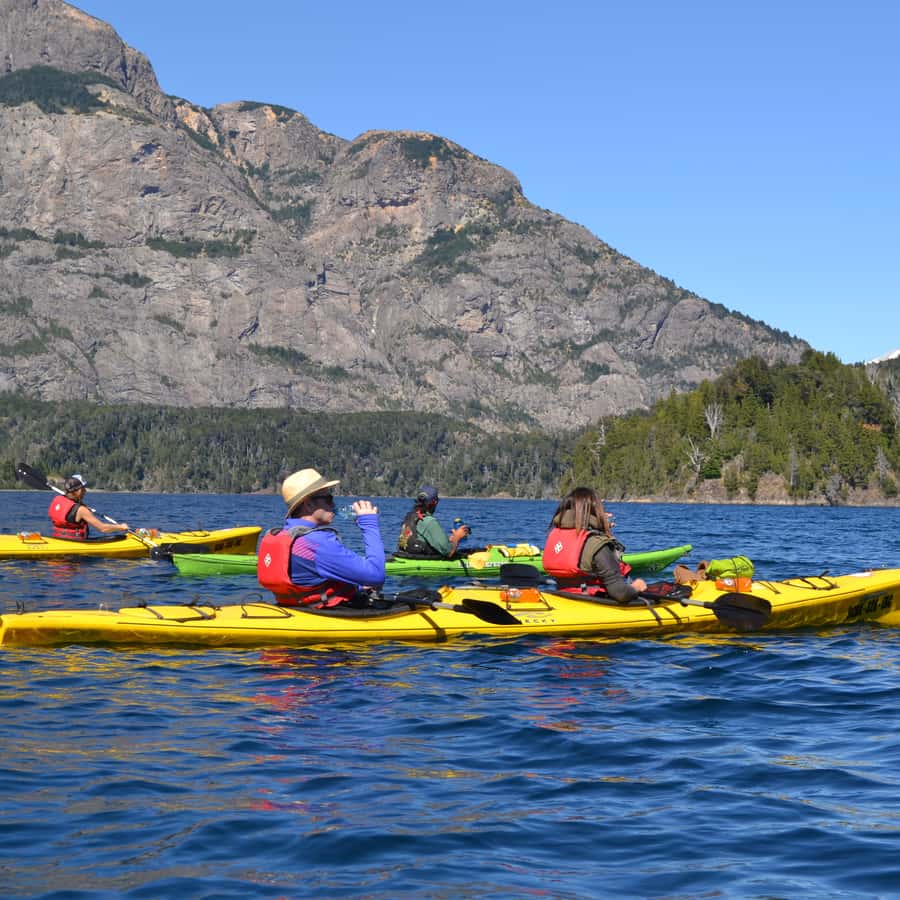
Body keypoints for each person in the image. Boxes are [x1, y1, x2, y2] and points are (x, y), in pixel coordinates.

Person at [257, 468, 385, 607]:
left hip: (294, 606)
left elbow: (309, 581)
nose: (333, 505)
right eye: (328, 499)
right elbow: (376, 575)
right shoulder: (318, 543)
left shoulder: (287, 536)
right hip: (321, 613)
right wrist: (369, 523)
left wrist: (357, 586)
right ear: (308, 504)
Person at [541, 486, 647, 601]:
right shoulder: (597, 544)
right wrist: (637, 587)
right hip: (593, 603)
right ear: (595, 511)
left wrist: (600, 526)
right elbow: (620, 593)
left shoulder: (555, 536)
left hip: (562, 598)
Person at [47, 474, 130, 540]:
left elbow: (69, 511)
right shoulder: (81, 510)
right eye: (82, 489)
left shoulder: (57, 499)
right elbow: (103, 528)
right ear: (76, 491)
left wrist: (79, 505)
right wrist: (121, 527)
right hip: (76, 545)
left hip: (58, 539)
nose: (85, 491)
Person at [397, 485, 470, 558]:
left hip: (406, 556)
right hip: (421, 561)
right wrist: (457, 537)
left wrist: (451, 540)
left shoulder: (410, 517)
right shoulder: (429, 521)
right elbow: (448, 552)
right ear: (434, 502)